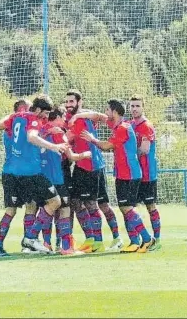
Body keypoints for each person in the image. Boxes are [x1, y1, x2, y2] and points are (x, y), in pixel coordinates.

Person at [79, 99, 157, 253]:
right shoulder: (119, 125)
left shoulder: (122, 128)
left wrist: (92, 139)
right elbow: (100, 117)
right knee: (125, 208)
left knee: (126, 207)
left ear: (114, 112)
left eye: (108, 110)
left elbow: (106, 146)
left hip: (129, 175)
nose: (106, 113)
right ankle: (135, 242)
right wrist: (78, 113)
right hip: (124, 174)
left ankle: (147, 239)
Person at [4, 94, 68, 253]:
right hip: (31, 171)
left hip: (15, 172)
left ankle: (30, 240)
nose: (46, 117)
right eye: (45, 113)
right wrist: (54, 146)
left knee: (33, 205)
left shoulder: (18, 117)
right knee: (55, 202)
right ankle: (31, 238)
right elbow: (32, 137)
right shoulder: (33, 118)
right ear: (37, 109)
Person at [66, 90, 123, 253]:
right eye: (67, 102)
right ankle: (94, 238)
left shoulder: (80, 119)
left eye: (72, 101)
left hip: (90, 166)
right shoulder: (81, 117)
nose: (69, 105)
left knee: (94, 204)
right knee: (77, 201)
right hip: (86, 166)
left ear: (79, 102)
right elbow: (99, 116)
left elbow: (67, 138)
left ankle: (100, 241)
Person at [40, 105, 92, 255]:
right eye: (63, 117)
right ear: (57, 117)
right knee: (65, 209)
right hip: (58, 176)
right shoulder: (58, 133)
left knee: (48, 209)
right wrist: (85, 154)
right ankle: (66, 247)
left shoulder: (41, 131)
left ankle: (45, 243)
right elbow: (71, 157)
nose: (64, 120)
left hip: (43, 177)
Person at [0, 98, 32, 256]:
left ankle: (27, 244)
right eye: (28, 109)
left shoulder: (11, 123)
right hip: (14, 173)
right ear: (22, 109)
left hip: (20, 172)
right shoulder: (14, 123)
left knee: (31, 205)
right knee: (12, 209)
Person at [129, 95, 161, 250]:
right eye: (132, 106)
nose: (134, 109)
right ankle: (135, 240)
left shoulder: (146, 126)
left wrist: (126, 152)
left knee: (150, 206)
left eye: (137, 106)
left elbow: (145, 149)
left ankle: (157, 240)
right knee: (129, 207)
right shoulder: (130, 125)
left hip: (147, 173)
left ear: (143, 107)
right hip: (133, 174)